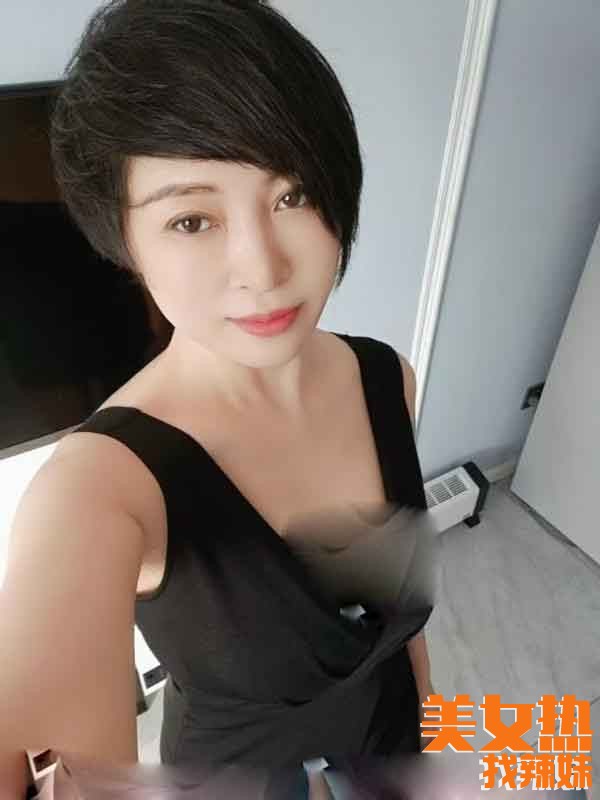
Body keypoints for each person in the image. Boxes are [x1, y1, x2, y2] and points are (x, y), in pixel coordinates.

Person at [0, 1, 435, 797]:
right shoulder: (99, 490)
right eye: (192, 219)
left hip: (390, 738)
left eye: (294, 196)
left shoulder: (388, 381)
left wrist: (428, 736)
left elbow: (397, 632)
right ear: (123, 239)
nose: (263, 268)